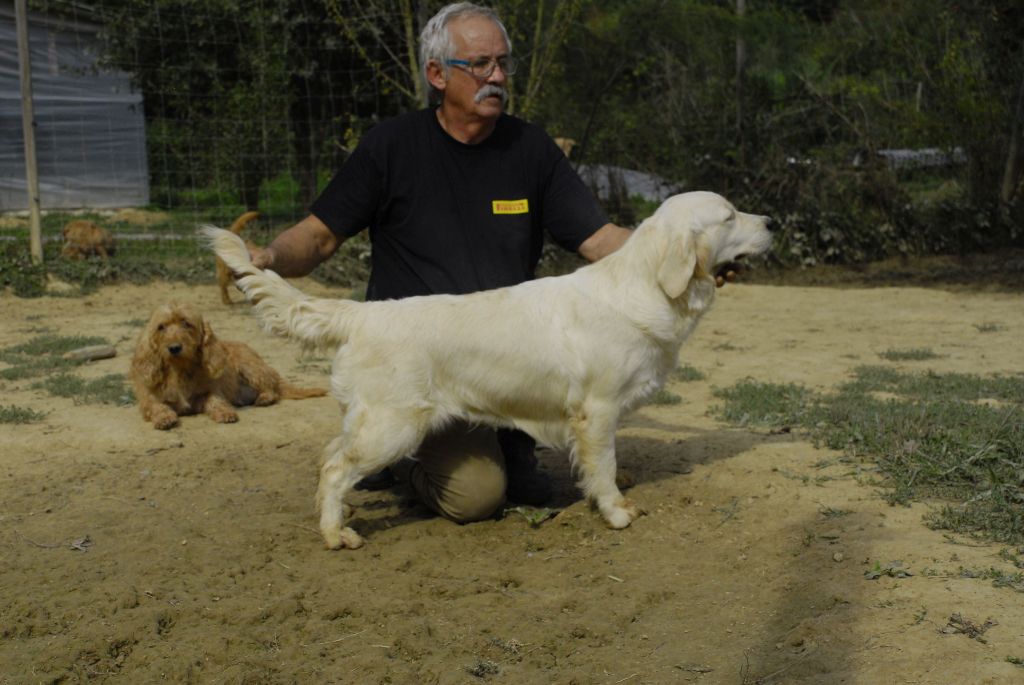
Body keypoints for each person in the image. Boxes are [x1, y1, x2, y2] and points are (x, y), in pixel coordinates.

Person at [248, 2, 632, 524]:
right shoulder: (391, 146)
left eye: (502, 63)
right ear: (436, 74)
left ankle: (504, 448)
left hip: (508, 358)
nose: (496, 76)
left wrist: (677, 250)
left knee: (528, 487)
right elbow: (317, 238)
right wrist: (268, 258)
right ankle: (399, 453)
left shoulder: (532, 149)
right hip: (419, 363)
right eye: (479, 64)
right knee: (477, 497)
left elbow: (600, 240)